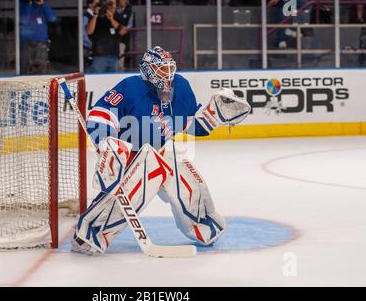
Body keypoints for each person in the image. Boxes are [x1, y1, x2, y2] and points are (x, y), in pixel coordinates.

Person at [71, 46, 251, 255]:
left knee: (188, 182)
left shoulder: (181, 87)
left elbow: (189, 123)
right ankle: (89, 234)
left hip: (162, 148)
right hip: (128, 155)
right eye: (161, 70)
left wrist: (214, 116)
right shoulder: (130, 87)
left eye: (169, 69)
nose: (167, 75)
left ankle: (204, 226)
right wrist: (106, 142)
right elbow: (101, 113)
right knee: (132, 191)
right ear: (148, 71)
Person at [19, 0, 57, 75]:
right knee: (25, 70)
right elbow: (23, 20)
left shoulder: (42, 6)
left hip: (41, 43)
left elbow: (52, 18)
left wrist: (43, 4)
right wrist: (29, 3)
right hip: (26, 43)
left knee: (41, 70)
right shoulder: (22, 6)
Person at [87, 0, 128, 72]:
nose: (111, 6)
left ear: (116, 5)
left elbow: (123, 31)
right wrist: (96, 14)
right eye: (109, 3)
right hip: (99, 57)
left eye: (113, 3)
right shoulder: (97, 18)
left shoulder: (118, 17)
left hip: (114, 56)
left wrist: (111, 19)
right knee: (97, 82)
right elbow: (89, 31)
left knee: (113, 83)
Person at [115, 0, 134, 71]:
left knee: (120, 61)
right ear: (118, 0)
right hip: (111, 39)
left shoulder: (129, 12)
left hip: (122, 40)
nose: (125, 0)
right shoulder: (112, 11)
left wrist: (121, 30)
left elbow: (128, 27)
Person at [83, 0, 100, 69]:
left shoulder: (96, 15)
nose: (98, 6)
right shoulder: (86, 16)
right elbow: (83, 33)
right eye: (96, 4)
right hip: (88, 47)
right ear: (90, 5)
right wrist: (90, 44)